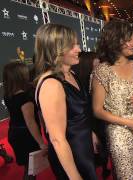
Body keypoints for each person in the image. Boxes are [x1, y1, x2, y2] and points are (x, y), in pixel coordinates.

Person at [92, 20, 133, 179]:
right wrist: (129, 123)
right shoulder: (103, 70)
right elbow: (97, 110)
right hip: (118, 133)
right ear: (115, 40)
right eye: (130, 40)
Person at [34, 23, 97, 180]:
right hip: (71, 158)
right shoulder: (52, 84)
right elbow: (57, 139)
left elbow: (78, 116)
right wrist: (74, 176)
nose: (79, 49)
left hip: (83, 151)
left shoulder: (71, 74)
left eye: (77, 44)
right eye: (71, 46)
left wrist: (91, 134)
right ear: (55, 50)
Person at [3, 61, 46, 180]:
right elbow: (30, 122)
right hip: (26, 137)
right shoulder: (25, 98)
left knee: (29, 168)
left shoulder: (8, 95)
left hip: (14, 133)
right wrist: (41, 143)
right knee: (31, 170)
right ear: (20, 76)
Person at [71, 52, 111, 179]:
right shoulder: (79, 84)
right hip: (88, 125)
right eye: (96, 65)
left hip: (100, 122)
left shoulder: (96, 80)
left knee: (102, 149)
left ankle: (104, 168)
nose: (99, 68)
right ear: (87, 66)